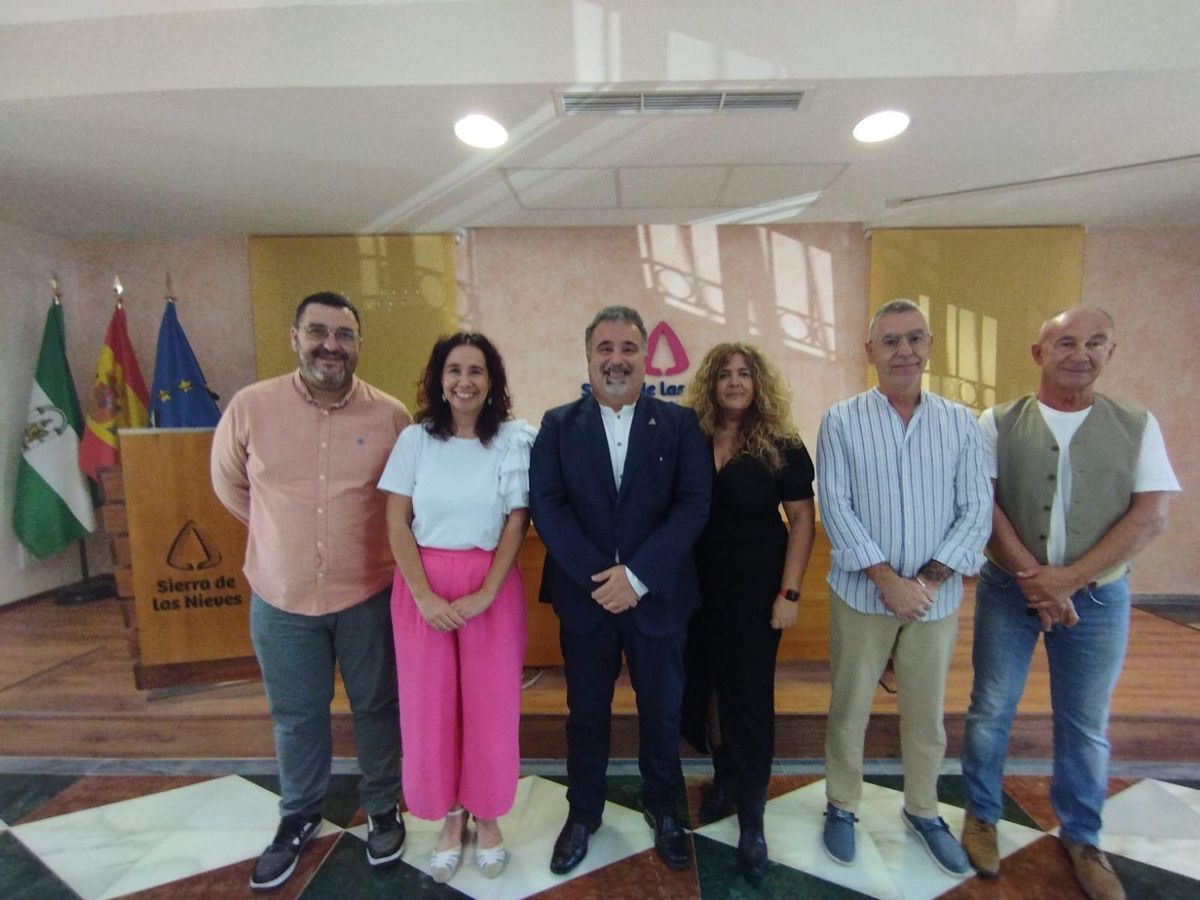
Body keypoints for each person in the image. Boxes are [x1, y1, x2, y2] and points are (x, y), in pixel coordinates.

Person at [960, 307, 1178, 899]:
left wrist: (1071, 579)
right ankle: (979, 814)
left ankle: (1083, 836)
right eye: (1065, 342)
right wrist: (1035, 580)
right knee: (990, 707)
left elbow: (1151, 514)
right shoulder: (997, 421)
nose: (1079, 353)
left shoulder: (1137, 424)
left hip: (1100, 598)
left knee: (1085, 724)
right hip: (1009, 592)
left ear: (1112, 351)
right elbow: (985, 504)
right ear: (1039, 353)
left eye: (1095, 342)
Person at [211, 291, 410, 892]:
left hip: (367, 594)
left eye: (345, 334)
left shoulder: (391, 416)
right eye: (318, 332)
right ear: (294, 337)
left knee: (377, 708)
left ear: (358, 345)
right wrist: (281, 537)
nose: (331, 344)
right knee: (297, 717)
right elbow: (228, 485)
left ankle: (382, 807)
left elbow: (405, 501)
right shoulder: (251, 407)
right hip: (281, 598)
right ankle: (298, 815)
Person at [530, 306, 711, 874]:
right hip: (585, 602)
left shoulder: (681, 426)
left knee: (661, 710)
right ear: (589, 358)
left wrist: (635, 577)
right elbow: (548, 507)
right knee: (586, 712)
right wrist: (601, 580)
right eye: (605, 348)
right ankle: (583, 811)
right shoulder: (557, 424)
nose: (616, 359)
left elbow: (692, 506)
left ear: (644, 358)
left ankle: (664, 809)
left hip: (657, 597)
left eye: (628, 348)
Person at [815, 298, 991, 876]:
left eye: (914, 338)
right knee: (849, 709)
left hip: (933, 601)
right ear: (870, 352)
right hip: (862, 595)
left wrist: (925, 581)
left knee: (927, 714)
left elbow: (976, 511)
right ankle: (841, 804)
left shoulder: (962, 423)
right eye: (889, 341)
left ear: (930, 345)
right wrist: (886, 580)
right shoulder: (841, 420)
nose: (903, 351)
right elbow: (834, 507)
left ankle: (923, 808)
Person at [377, 332, 532, 883]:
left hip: (490, 584)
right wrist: (423, 595)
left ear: (492, 382)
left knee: (490, 707)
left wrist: (487, 592)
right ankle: (448, 816)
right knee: (429, 707)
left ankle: (486, 816)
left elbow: (518, 519)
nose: (464, 380)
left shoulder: (514, 439)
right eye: (453, 370)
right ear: (438, 379)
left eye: (476, 371)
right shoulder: (415, 441)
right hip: (423, 587)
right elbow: (397, 521)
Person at [680, 342, 815, 879]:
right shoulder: (689, 438)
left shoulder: (780, 441)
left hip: (757, 594)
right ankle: (725, 779)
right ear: (710, 384)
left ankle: (753, 815)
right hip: (694, 592)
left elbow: (802, 521)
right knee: (707, 685)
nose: (735, 382)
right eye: (725, 375)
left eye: (745, 374)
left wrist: (789, 595)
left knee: (749, 696)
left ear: (759, 383)